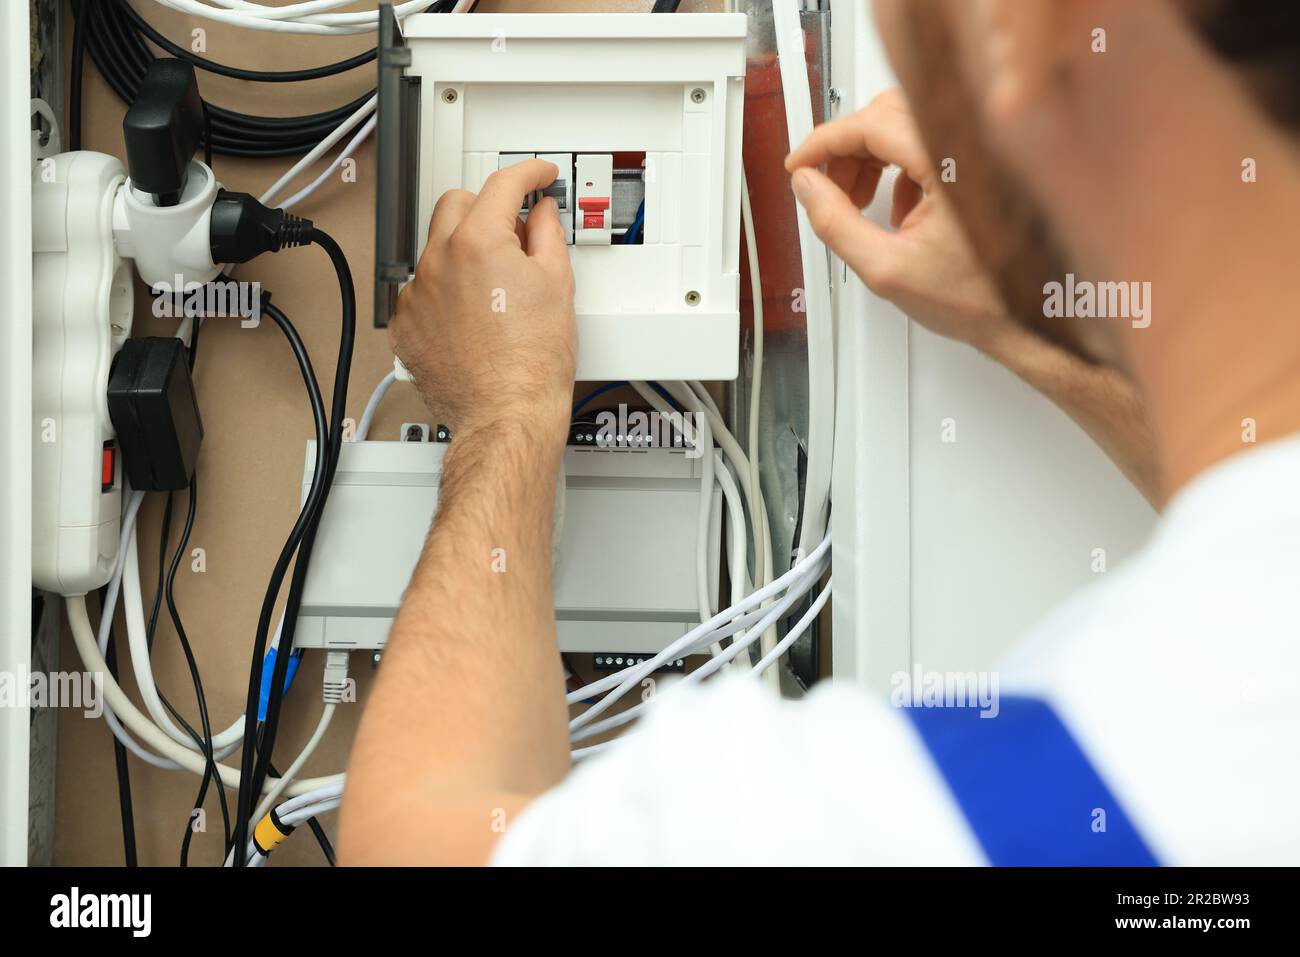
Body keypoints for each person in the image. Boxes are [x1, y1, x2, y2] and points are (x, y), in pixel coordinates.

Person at [338, 0, 1300, 865]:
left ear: (1028, 29)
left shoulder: (949, 818)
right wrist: (1021, 315)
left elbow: (409, 841)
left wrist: (504, 409)